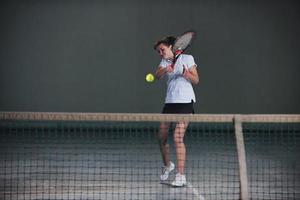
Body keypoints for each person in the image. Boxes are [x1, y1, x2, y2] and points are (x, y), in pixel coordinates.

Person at [154, 36, 199, 187]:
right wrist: (167, 69)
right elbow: (157, 75)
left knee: (178, 137)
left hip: (185, 102)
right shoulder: (165, 62)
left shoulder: (187, 58)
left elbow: (196, 80)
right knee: (162, 137)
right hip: (170, 102)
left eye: (162, 49)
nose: (160, 53)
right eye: (158, 51)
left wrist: (187, 74)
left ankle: (181, 176)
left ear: (171, 47)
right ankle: (168, 165)